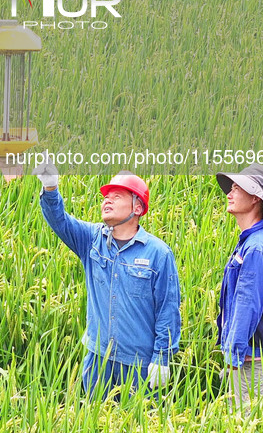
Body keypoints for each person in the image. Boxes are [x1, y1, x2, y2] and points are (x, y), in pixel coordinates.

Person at [33, 154, 181, 400]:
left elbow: (168, 308)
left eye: (117, 196)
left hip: (138, 366)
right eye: (105, 197)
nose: (107, 201)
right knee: (95, 431)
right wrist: (50, 188)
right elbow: (60, 221)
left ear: (137, 207)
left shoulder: (158, 254)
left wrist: (162, 358)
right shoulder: (92, 239)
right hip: (98, 360)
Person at [216, 163, 263, 414]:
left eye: (236, 188)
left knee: (242, 431)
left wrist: (233, 357)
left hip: (248, 359)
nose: (229, 194)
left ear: (255, 197)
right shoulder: (252, 241)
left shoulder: (256, 247)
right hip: (246, 355)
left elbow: (248, 304)